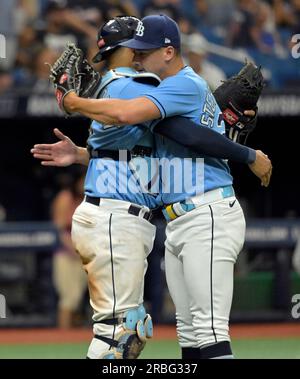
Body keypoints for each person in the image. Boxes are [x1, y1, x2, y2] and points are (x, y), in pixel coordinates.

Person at [57, 14, 272, 359]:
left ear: (169, 51)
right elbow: (147, 148)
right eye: (136, 51)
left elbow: (151, 122)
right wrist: (87, 154)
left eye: (145, 51)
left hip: (208, 212)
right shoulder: (162, 89)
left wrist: (74, 102)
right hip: (178, 221)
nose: (137, 58)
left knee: (209, 330)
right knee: (189, 333)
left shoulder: (182, 85)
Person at [51, 170, 87, 328]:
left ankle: (74, 338)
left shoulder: (89, 200)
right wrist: (73, 249)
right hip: (66, 254)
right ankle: (63, 337)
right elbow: (59, 229)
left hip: (85, 254)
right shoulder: (65, 197)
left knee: (78, 298)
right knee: (69, 298)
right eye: (83, 180)